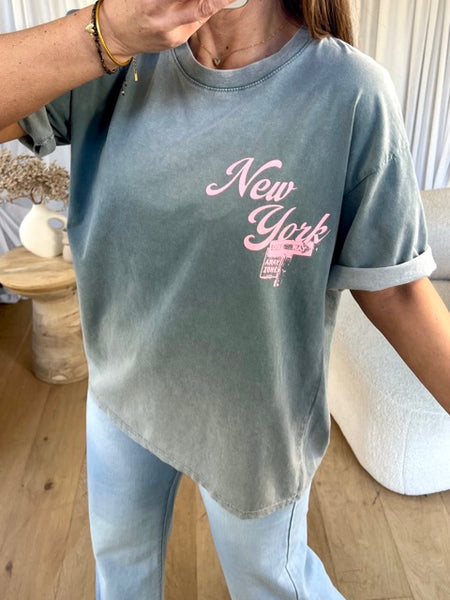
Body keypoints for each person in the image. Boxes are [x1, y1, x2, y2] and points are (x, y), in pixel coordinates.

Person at [1, 0, 449, 598]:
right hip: (122, 391)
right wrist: (105, 34)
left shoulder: (350, 93)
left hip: (253, 427)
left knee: (274, 583)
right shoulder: (115, 51)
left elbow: (396, 290)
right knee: (119, 575)